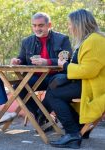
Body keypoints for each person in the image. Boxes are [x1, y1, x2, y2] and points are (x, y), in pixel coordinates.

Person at [43, 9, 105, 149]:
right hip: (87, 83)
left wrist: (64, 65)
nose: (69, 27)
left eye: (70, 24)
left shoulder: (95, 40)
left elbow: (88, 70)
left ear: (79, 24)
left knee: (54, 94)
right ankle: (80, 127)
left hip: (95, 86)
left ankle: (72, 134)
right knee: (54, 87)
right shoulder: (89, 39)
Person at [10, 12, 72, 123]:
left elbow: (66, 59)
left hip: (56, 77)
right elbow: (22, 59)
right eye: (34, 25)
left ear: (49, 25)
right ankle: (42, 116)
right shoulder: (26, 41)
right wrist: (17, 61)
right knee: (18, 87)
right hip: (36, 77)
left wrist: (47, 62)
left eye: (40, 25)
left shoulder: (62, 39)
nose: (37, 28)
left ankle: (41, 116)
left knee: (55, 84)